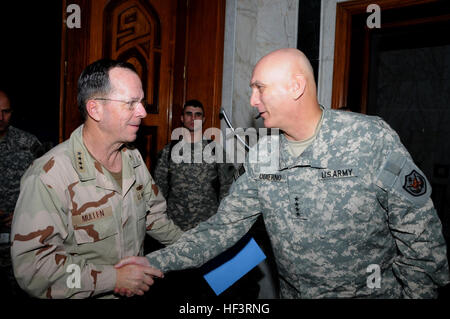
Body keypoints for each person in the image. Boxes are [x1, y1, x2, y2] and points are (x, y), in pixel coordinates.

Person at [116, 48, 450, 298]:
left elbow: (421, 236)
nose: (252, 99)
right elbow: (222, 229)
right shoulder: (263, 155)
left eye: (260, 88)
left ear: (295, 87)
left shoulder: (369, 138)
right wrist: (156, 262)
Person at [10, 59, 183, 299]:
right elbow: (34, 269)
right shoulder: (49, 176)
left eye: (140, 102)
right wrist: (114, 278)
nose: (143, 112)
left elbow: (154, 217)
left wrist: (196, 249)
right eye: (131, 103)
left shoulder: (132, 159)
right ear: (95, 109)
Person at [154, 99, 235, 231]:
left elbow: (228, 187)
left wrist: (223, 219)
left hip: (207, 224)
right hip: (175, 226)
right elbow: (159, 189)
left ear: (203, 119)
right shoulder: (169, 151)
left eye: (197, 115)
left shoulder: (215, 150)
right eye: (189, 114)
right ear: (182, 118)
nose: (193, 118)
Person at [0, 89, 42, 297]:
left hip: (18, 238)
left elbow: (46, 186)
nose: (0, 118)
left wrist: (23, 212)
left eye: (5, 112)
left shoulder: (28, 144)